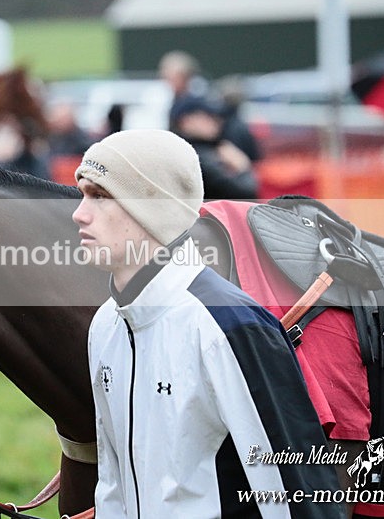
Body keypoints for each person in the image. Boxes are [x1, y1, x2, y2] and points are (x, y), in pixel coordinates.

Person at [71, 129, 343, 518]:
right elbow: (113, 489)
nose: (79, 213)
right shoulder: (105, 326)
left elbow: (298, 497)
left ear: (152, 208)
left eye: (99, 196)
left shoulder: (229, 326)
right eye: (82, 194)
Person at [172, 95, 259, 200]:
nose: (216, 121)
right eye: (208, 116)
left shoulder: (210, 148)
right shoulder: (197, 156)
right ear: (186, 121)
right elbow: (244, 193)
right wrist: (243, 167)